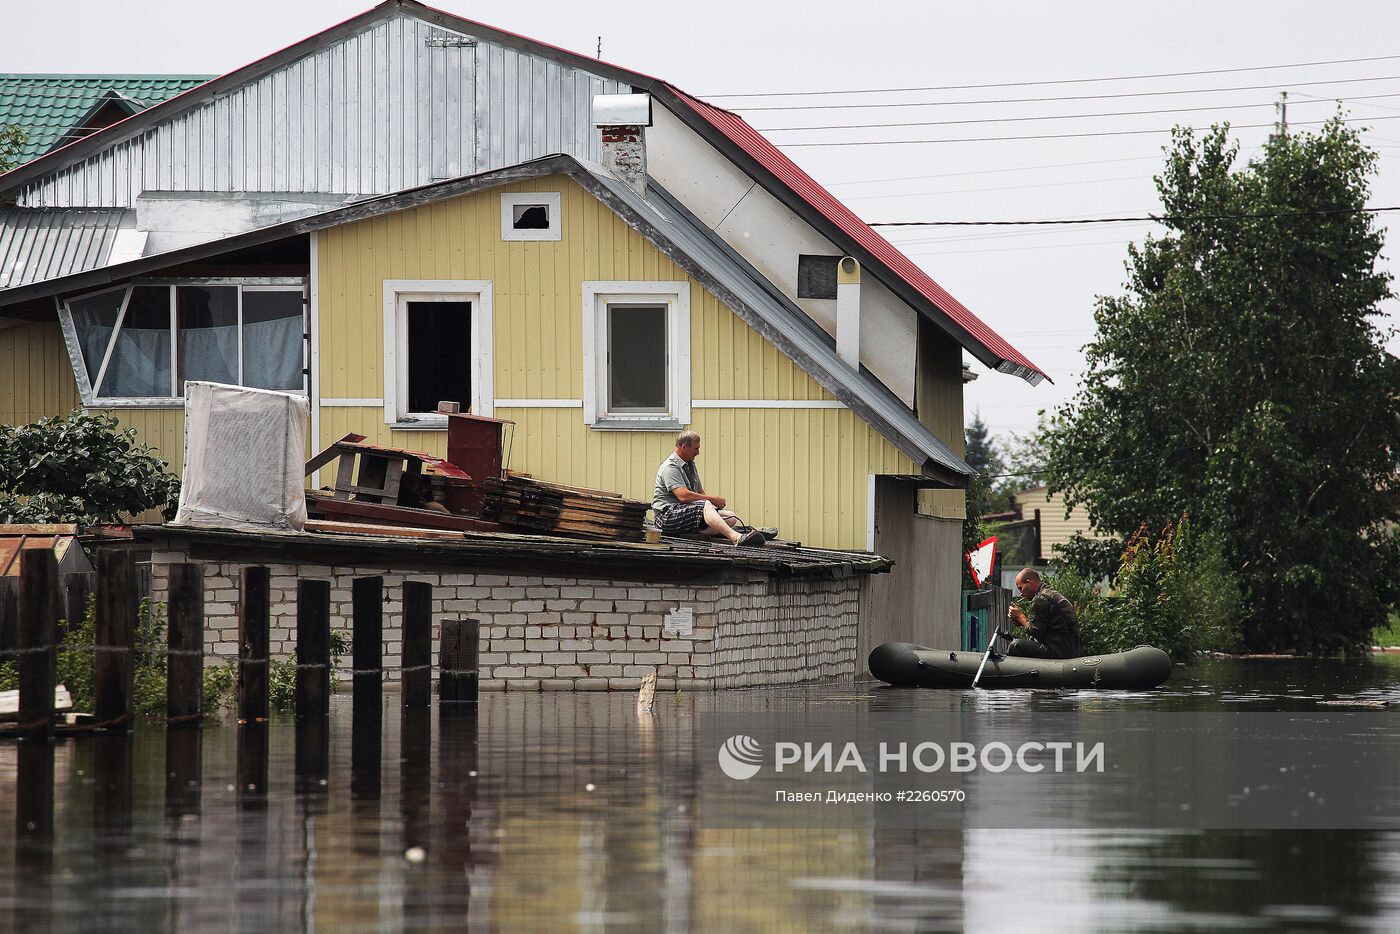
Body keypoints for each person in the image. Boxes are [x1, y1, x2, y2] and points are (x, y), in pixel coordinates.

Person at [652, 431, 765, 547]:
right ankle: (735, 537)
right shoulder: (670, 467)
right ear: (684, 447)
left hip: (684, 514)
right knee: (706, 504)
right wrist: (713, 500)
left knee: (730, 517)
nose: (698, 453)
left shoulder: (690, 464)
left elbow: (700, 492)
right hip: (667, 517)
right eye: (695, 449)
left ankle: (693, 534)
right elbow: (683, 496)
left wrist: (711, 506)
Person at [1005, 568, 1083, 659]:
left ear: (1029, 583)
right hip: (1069, 650)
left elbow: (1036, 632)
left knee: (1015, 645)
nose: (1021, 594)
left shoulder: (1041, 599)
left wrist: (1020, 617)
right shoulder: (1049, 593)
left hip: (1058, 653)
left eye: (1021, 588)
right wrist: (1020, 621)